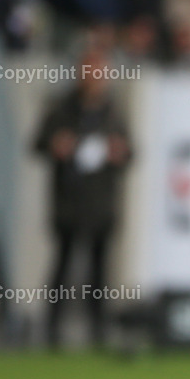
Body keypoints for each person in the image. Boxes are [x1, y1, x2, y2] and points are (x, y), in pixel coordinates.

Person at [34, 46, 132, 347]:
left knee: (98, 270)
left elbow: (131, 151)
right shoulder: (62, 109)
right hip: (69, 202)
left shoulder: (113, 112)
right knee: (63, 264)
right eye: (90, 71)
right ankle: (52, 329)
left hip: (101, 202)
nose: (94, 78)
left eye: (100, 72)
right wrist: (56, 145)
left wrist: (119, 152)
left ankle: (98, 329)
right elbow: (38, 143)